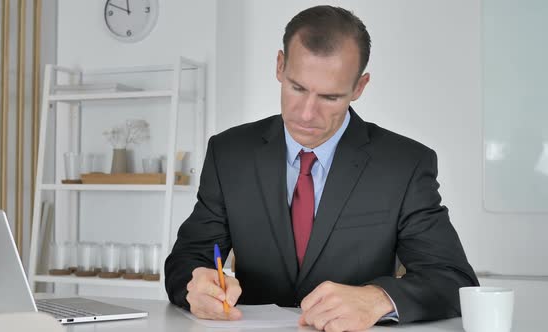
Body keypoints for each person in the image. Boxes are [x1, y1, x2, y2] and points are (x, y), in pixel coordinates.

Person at [165, 5, 478, 331]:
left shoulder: (404, 164)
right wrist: (197, 286)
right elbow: (185, 260)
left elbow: (453, 279)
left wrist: (378, 298)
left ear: (359, 87)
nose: (306, 114)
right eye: (297, 88)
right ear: (280, 66)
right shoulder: (229, 153)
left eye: (329, 97)